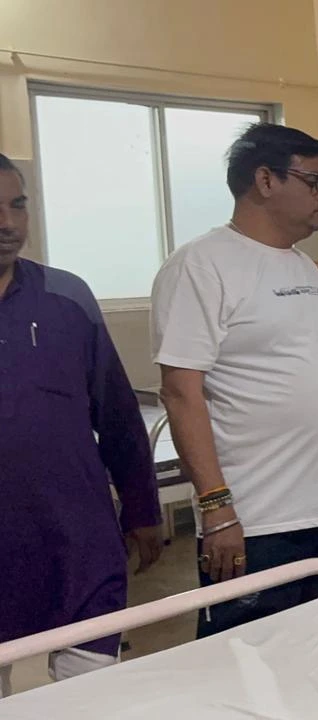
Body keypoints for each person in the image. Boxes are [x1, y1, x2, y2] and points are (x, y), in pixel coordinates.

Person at [151, 123, 318, 638]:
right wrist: (217, 508)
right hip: (256, 519)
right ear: (265, 180)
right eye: (313, 181)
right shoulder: (202, 265)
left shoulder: (307, 270)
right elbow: (181, 392)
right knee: (248, 663)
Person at [0, 153, 163, 695]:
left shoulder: (67, 298)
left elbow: (117, 414)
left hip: (77, 543)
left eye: (18, 205)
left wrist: (142, 508)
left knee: (93, 695)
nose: (8, 223)